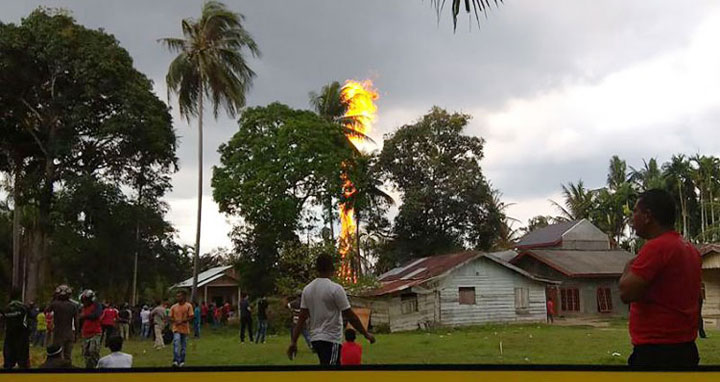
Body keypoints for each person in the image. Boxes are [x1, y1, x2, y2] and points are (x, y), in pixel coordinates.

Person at [619, 189, 702, 368]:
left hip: (657, 352)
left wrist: (628, 266)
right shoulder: (688, 248)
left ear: (648, 216)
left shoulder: (657, 248)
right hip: (685, 348)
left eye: (635, 211)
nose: (632, 218)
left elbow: (626, 292)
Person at [287, 253, 376, 365]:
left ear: (316, 269)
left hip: (315, 339)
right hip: (331, 338)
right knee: (332, 372)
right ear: (332, 268)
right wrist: (365, 334)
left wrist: (293, 342)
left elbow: (302, 317)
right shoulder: (335, 289)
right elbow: (350, 315)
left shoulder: (307, 290)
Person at [49, 284, 79, 363]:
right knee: (68, 356)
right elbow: (76, 321)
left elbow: (46, 310)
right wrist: (76, 334)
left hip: (58, 334)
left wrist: (54, 298)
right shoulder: (73, 306)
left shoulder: (54, 304)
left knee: (58, 356)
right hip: (69, 334)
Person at [2, 289, 30, 369]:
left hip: (9, 337)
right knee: (23, 362)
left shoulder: (6, 308)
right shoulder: (23, 307)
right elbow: (29, 319)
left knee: (8, 362)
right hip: (22, 336)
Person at [79, 289, 104, 369]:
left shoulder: (97, 305)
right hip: (86, 332)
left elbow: (96, 315)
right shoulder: (83, 308)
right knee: (86, 353)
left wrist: (85, 316)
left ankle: (97, 366)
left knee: (93, 351)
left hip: (95, 332)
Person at [169, 290, 194, 367]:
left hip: (185, 329)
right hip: (176, 328)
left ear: (184, 297)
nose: (178, 297)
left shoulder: (188, 306)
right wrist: (175, 321)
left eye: (179, 296)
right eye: (177, 296)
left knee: (183, 346)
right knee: (176, 343)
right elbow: (170, 317)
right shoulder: (173, 307)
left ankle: (182, 361)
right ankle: (176, 360)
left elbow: (191, 316)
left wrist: (183, 321)